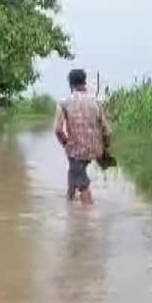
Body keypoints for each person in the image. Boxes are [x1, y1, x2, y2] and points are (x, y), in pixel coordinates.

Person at [54, 69, 112, 203]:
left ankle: (87, 218)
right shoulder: (95, 102)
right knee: (74, 172)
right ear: (84, 82)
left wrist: (66, 144)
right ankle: (69, 201)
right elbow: (107, 131)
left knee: (82, 183)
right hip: (96, 149)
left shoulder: (64, 102)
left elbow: (58, 129)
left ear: (70, 84)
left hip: (76, 149)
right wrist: (105, 149)